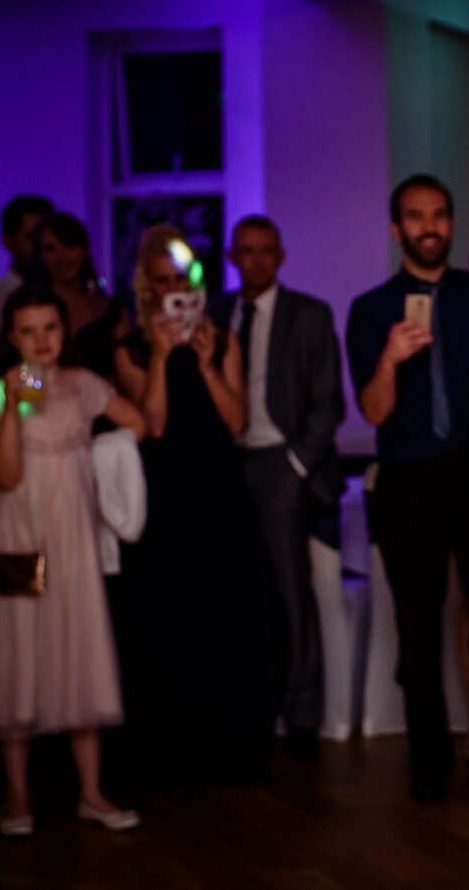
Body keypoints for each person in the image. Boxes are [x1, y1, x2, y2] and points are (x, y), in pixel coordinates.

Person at [346, 174, 469, 804]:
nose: (429, 227)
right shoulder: (370, 309)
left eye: (439, 216)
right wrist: (389, 359)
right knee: (417, 624)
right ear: (396, 227)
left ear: (451, 224)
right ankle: (428, 763)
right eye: (415, 217)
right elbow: (373, 412)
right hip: (408, 479)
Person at [0, 284, 146, 836]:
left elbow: (137, 424)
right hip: (20, 531)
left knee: (80, 643)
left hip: (73, 534)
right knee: (19, 649)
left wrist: (100, 462)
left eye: (50, 328)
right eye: (29, 330)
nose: (42, 341)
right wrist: (11, 407)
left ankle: (90, 792)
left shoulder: (83, 383)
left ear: (63, 331)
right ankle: (17, 796)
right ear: (12, 337)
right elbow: (6, 474)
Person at [112, 225, 273, 784]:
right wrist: (159, 358)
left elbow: (237, 422)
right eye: (162, 281)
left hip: (220, 490)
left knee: (227, 610)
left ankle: (232, 743)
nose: (172, 289)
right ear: (147, 288)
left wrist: (205, 366)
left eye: (181, 279)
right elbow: (150, 425)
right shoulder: (129, 350)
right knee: (169, 612)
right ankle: (174, 748)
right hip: (164, 495)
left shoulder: (222, 338)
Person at [214, 215, 345, 761]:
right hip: (228, 464)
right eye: (246, 251)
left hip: (281, 462)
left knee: (292, 595)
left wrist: (295, 464)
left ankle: (301, 715)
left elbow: (329, 404)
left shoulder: (308, 315)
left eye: (267, 250)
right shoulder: (216, 314)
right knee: (239, 596)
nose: (257, 260)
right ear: (231, 257)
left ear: (281, 256)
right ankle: (249, 706)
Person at [25, 213, 130, 379]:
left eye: (69, 245)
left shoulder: (112, 311)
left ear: (85, 250)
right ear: (40, 256)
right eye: (50, 248)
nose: (62, 257)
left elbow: (128, 378)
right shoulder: (26, 310)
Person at [0, 195, 52, 351]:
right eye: (32, 237)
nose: (41, 247)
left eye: (47, 240)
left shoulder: (66, 295)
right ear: (8, 242)